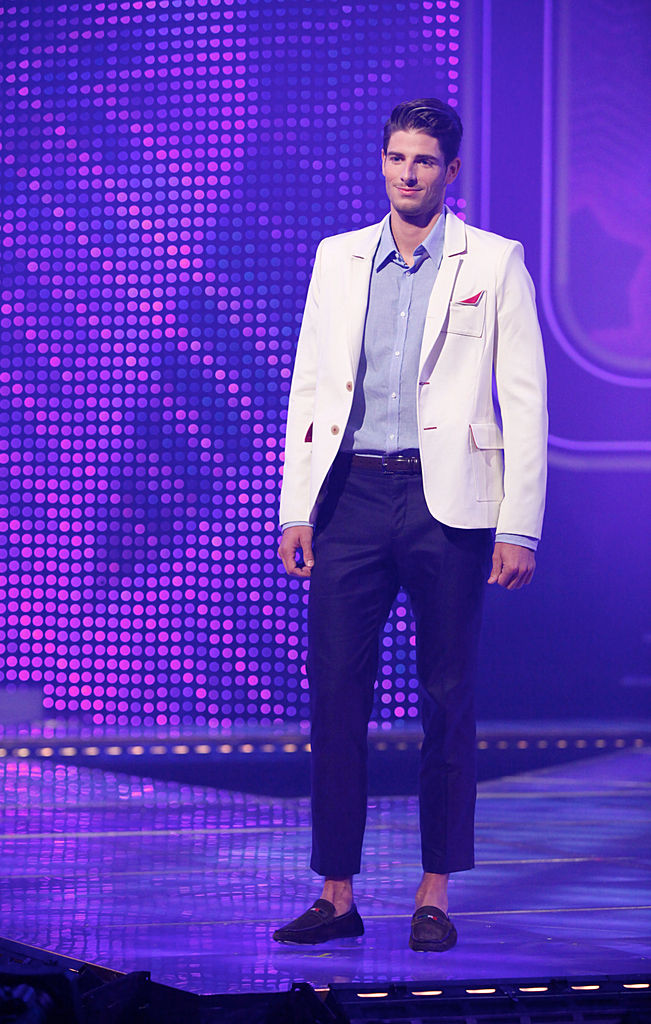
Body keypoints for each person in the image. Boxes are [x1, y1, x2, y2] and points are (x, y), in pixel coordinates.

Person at [273, 98, 547, 952]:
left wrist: (520, 525)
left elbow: (525, 399)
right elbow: (311, 384)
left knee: (447, 699)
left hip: (449, 502)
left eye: (423, 160)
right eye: (395, 157)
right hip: (351, 496)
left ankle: (434, 891)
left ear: (449, 171)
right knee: (334, 698)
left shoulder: (493, 260)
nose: (406, 172)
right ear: (382, 160)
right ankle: (336, 893)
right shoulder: (339, 256)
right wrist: (295, 505)